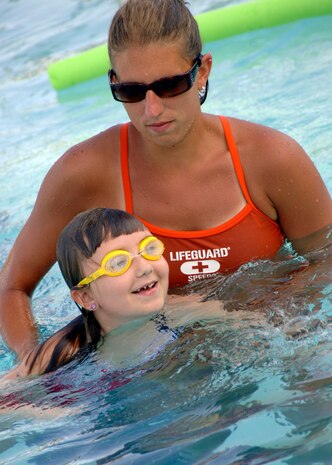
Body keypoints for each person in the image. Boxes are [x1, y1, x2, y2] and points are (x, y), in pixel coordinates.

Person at [0, 0, 331, 360]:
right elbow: (12, 287)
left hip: (269, 343)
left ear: (202, 71)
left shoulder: (270, 159)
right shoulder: (85, 173)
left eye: (170, 85)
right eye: (131, 91)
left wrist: (248, 319)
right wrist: (36, 360)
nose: (151, 109)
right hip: (156, 365)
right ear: (113, 82)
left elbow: (326, 260)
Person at [3, 208, 169, 378]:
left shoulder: (178, 311)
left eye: (149, 248)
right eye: (118, 263)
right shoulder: (63, 351)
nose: (145, 268)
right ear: (86, 297)